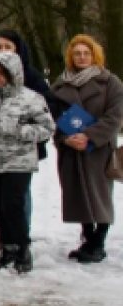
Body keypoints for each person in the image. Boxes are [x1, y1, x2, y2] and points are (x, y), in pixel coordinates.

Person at [0, 52, 55, 273]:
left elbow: (47, 127)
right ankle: (7, 246)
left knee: (13, 204)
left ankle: (22, 247)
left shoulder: (31, 98)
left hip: (18, 160)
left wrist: (22, 131)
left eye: (2, 73)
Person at [51, 35, 123, 264]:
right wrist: (64, 139)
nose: (82, 57)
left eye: (86, 53)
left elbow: (115, 116)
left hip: (98, 150)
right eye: (77, 53)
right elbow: (51, 117)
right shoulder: (60, 85)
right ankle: (87, 238)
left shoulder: (110, 82)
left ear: (95, 55)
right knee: (78, 196)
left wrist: (90, 135)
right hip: (71, 150)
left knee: (99, 196)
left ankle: (98, 243)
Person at [0, 29, 55, 253]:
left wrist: (20, 128)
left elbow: (48, 112)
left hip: (21, 152)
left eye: (8, 46)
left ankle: (20, 240)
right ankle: (3, 239)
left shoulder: (32, 77)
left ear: (18, 49)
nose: (3, 51)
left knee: (17, 198)